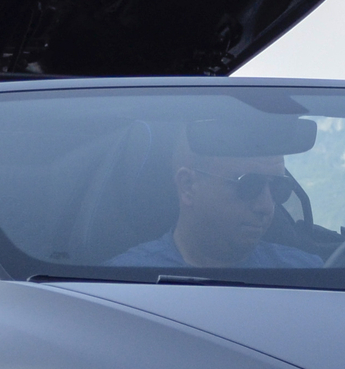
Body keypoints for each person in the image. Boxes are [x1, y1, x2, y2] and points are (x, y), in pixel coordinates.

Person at [111, 115, 324, 269]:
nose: (267, 206)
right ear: (188, 186)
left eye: (279, 187)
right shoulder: (121, 284)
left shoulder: (306, 273)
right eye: (249, 186)